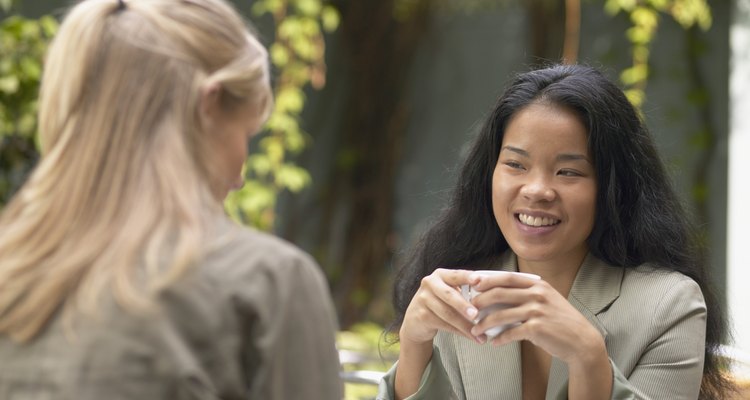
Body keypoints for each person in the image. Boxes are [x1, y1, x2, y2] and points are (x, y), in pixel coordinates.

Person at [0, 0, 343, 399]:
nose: (241, 175)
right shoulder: (266, 283)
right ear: (208, 105)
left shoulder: (13, 273)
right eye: (247, 134)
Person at [378, 64, 733, 400]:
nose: (537, 190)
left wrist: (587, 356)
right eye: (515, 164)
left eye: (568, 172)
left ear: (613, 187)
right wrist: (414, 345)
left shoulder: (669, 306)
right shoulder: (458, 287)